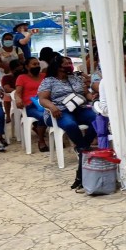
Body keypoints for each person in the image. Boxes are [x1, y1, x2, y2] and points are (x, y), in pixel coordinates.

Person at [37, 55, 97, 190]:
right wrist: (52, 107)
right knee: (70, 125)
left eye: (70, 63)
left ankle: (82, 147)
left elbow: (85, 93)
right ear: (58, 66)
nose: (69, 65)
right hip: (59, 110)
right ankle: (84, 148)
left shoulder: (75, 78)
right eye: (66, 63)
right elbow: (42, 99)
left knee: (97, 120)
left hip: (79, 108)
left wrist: (91, 97)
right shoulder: (49, 81)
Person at [15, 56, 49, 152]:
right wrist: (18, 99)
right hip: (31, 105)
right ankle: (41, 140)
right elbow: (17, 93)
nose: (37, 66)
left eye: (38, 64)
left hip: (46, 102)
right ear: (27, 67)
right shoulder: (22, 78)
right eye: (34, 64)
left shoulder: (44, 76)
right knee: (43, 116)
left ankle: (54, 136)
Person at [0, 59, 25, 124]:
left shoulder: (24, 75)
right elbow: (7, 89)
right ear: (13, 69)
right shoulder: (7, 77)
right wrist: (18, 91)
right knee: (7, 96)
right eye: (19, 69)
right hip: (13, 92)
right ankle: (8, 115)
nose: (21, 71)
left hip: (23, 93)